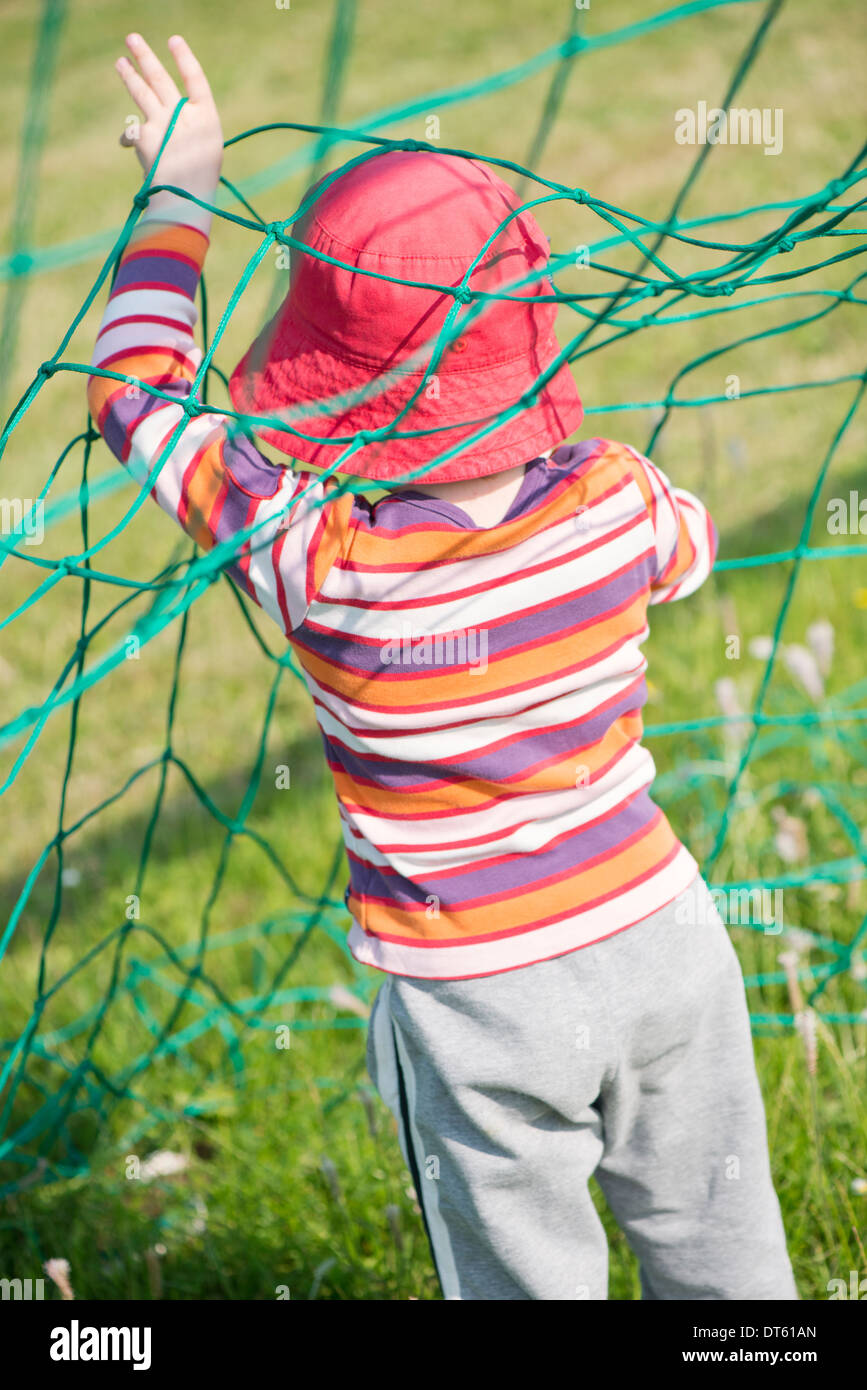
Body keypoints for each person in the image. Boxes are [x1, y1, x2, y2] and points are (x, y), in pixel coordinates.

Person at [89, 32, 799, 1301]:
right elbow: (686, 547)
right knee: (729, 1263)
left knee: (524, 1282)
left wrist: (178, 193)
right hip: (667, 940)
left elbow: (136, 394)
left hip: (477, 1002)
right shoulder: (620, 506)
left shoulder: (316, 562)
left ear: (335, 397)